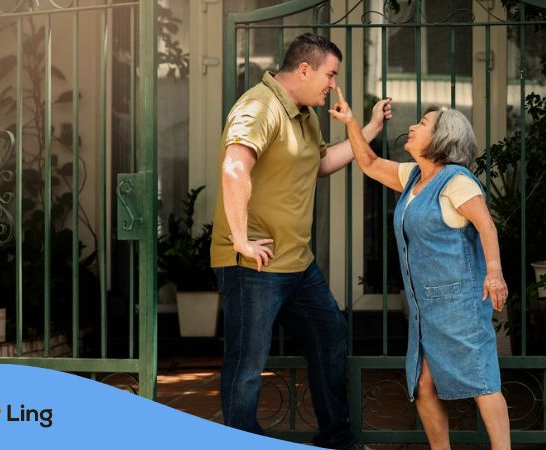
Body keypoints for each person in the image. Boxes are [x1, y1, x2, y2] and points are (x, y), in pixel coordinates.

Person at [210, 33, 391, 450]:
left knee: (329, 337)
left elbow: (321, 163)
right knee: (247, 365)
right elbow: (235, 168)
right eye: (330, 74)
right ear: (305, 69)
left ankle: (337, 438)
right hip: (253, 265)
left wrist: (369, 128)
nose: (332, 84)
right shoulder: (259, 106)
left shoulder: (304, 113)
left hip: (296, 264)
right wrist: (241, 241)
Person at [328, 88, 511, 450]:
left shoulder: (456, 180)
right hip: (426, 307)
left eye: (423, 123)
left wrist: (494, 273)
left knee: (481, 379)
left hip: (458, 304)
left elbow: (486, 225)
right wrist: (352, 122)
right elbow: (368, 163)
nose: (413, 126)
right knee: (423, 385)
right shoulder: (414, 176)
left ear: (441, 138)